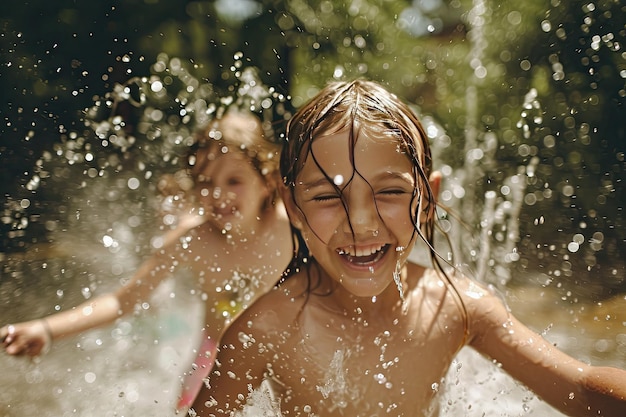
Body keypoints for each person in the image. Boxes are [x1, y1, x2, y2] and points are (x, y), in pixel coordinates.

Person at [192, 79, 626, 417]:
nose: (361, 222)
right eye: (327, 196)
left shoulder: (457, 307)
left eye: (390, 193)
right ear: (294, 207)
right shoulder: (267, 328)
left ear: (428, 199)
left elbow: (583, 388)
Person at [0, 108, 293, 412]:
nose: (218, 194)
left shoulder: (289, 226)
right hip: (214, 359)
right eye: (205, 182)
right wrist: (47, 330)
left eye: (234, 181)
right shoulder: (191, 241)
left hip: (279, 356)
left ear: (268, 181)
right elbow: (121, 302)